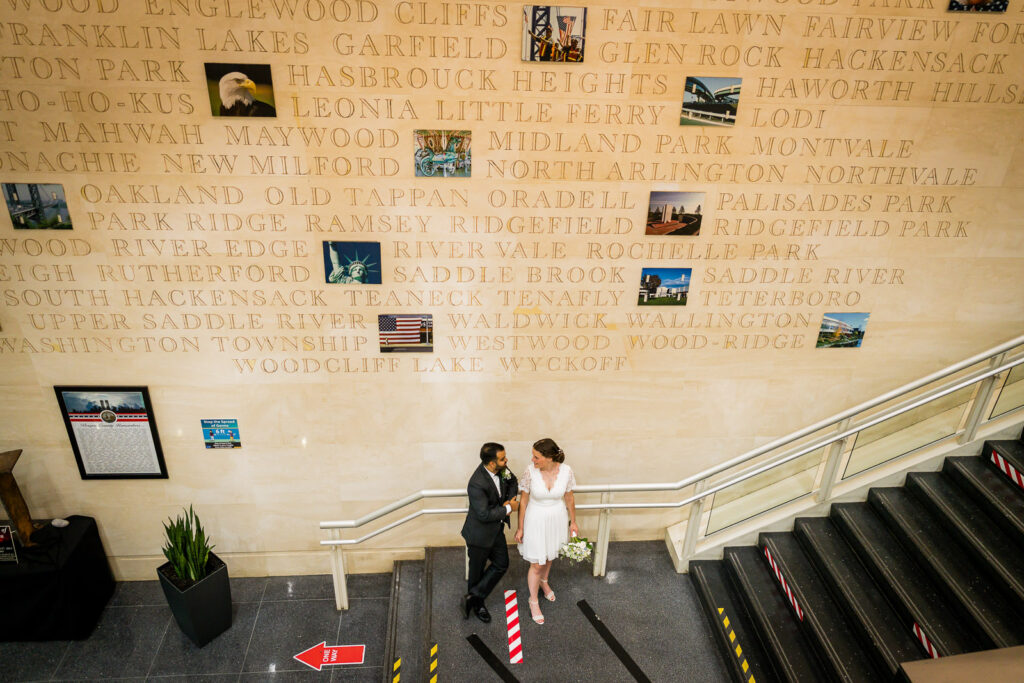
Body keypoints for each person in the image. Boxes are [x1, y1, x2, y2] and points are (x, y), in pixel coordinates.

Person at [514, 438, 577, 625]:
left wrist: (573, 522)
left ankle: (544, 581)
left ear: (549, 457)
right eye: (533, 456)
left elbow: (569, 498)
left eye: (537, 457)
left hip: (556, 518)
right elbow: (523, 501)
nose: (533, 460)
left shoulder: (566, 471)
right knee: (536, 563)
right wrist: (520, 527)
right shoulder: (530, 471)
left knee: (549, 556)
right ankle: (533, 601)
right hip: (535, 518)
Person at [460, 442, 519, 623]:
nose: (506, 460)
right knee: (476, 573)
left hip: (496, 530)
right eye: (502, 459)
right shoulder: (476, 484)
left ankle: (473, 596)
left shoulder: (502, 469)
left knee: (502, 564)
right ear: (492, 463)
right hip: (479, 535)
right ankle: (477, 604)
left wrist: (509, 499)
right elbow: (484, 514)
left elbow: (513, 481)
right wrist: (509, 508)